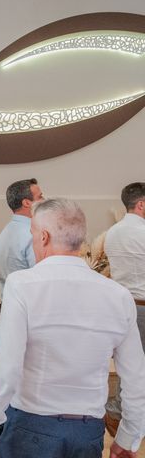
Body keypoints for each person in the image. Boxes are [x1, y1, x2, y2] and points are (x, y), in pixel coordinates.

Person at [0, 198, 145, 458]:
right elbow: (136, 377)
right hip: (87, 431)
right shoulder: (118, 295)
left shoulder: (22, 285)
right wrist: (128, 436)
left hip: (30, 426)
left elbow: (7, 367)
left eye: (32, 234)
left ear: (43, 237)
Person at [103, 182, 145, 437]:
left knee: (131, 366)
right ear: (141, 204)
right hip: (142, 307)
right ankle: (118, 414)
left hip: (122, 306)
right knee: (137, 368)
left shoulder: (113, 232)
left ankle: (120, 415)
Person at [0, 178, 43, 321]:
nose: (45, 200)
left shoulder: (6, 230)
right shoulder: (31, 234)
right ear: (27, 203)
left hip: (8, 305)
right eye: (40, 196)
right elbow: (40, 276)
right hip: (27, 311)